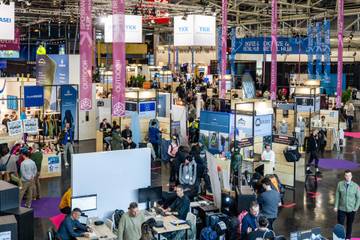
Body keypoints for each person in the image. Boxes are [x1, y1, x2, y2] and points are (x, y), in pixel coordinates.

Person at [334, 169, 360, 240]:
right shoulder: (340, 184)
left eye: (349, 176)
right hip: (341, 208)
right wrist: (336, 206)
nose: (348, 177)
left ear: (351, 176)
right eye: (346, 176)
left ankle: (348, 237)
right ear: (344, 176)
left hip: (351, 209)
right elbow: (337, 195)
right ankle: (340, 237)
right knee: (340, 225)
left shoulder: (356, 186)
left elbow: (358, 198)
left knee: (349, 224)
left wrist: (355, 209)